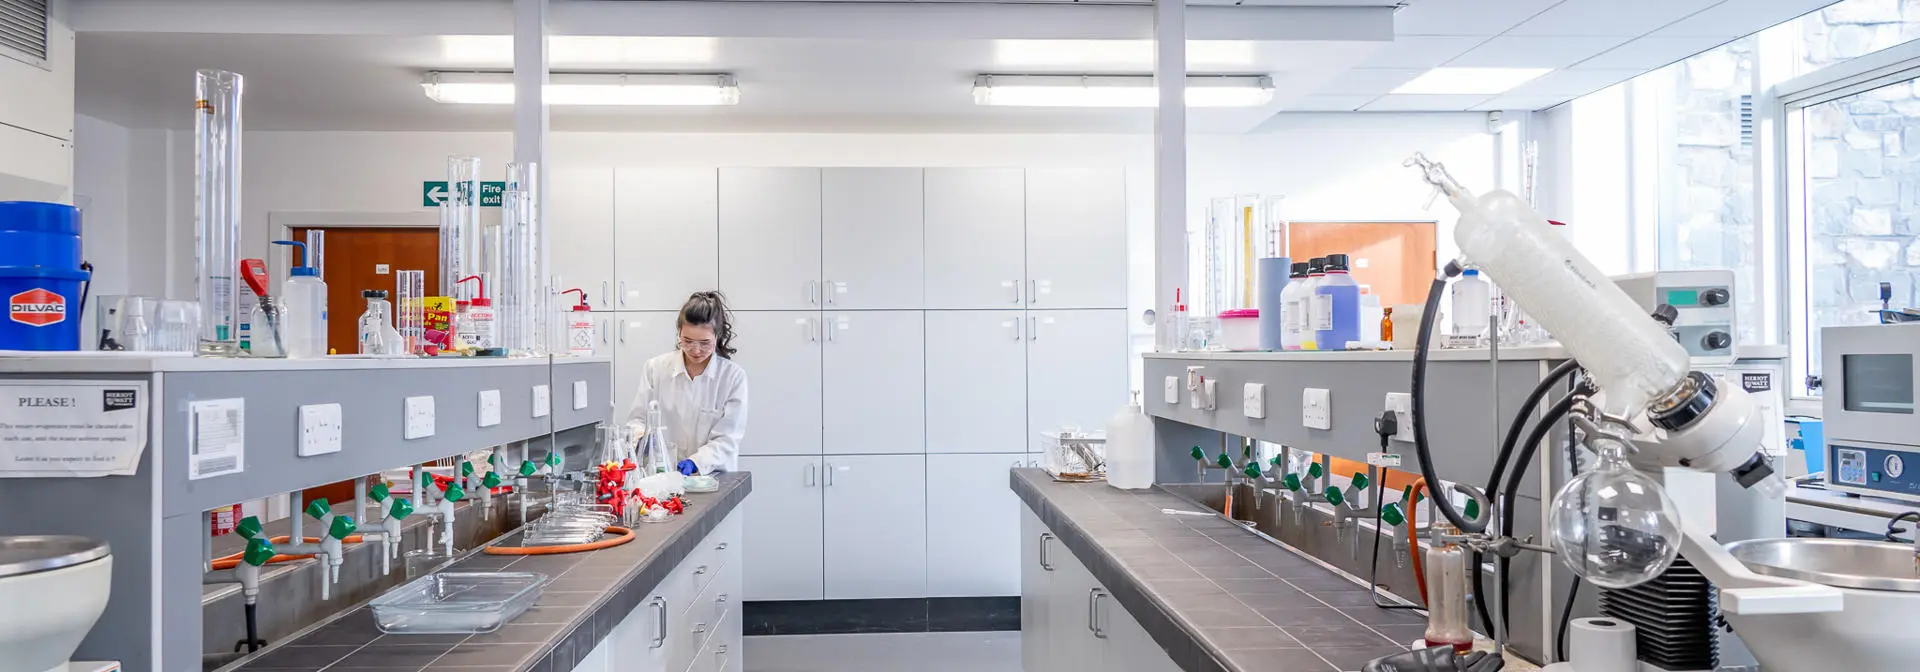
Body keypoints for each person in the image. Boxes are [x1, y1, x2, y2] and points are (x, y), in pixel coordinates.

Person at [624, 291, 748, 475]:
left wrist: (695, 462)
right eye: (687, 341)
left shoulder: (732, 377)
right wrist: (641, 438)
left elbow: (727, 438)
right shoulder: (656, 369)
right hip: (662, 475)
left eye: (705, 343)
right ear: (679, 333)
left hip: (712, 477)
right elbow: (637, 420)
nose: (696, 350)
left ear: (717, 336)